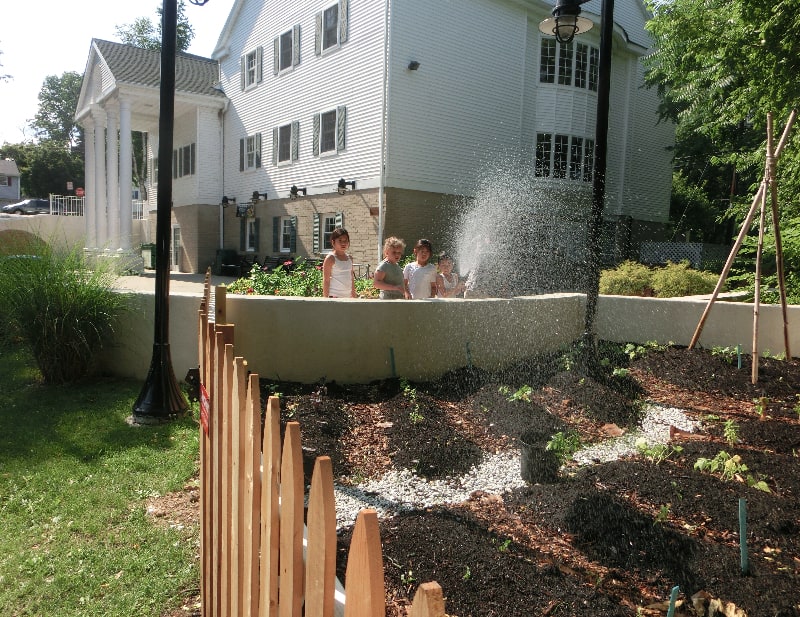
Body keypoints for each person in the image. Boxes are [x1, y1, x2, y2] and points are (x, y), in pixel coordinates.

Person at [322, 227, 357, 298]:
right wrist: (325, 299)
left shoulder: (350, 258)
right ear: (333, 242)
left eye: (345, 241)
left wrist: (354, 296)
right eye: (340, 240)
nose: (343, 243)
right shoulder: (330, 258)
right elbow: (326, 280)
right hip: (335, 296)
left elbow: (351, 278)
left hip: (348, 297)